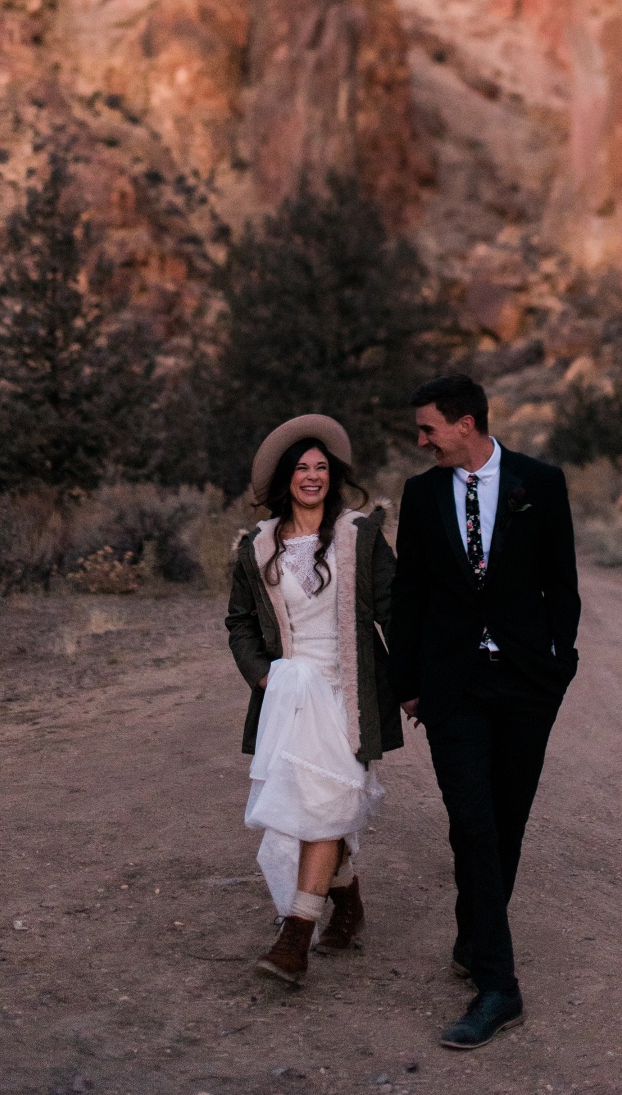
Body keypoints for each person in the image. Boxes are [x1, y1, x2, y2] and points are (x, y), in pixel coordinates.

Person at [389, 374, 580, 1051]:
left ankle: (476, 935)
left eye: (428, 428)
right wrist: (406, 680)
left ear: (466, 423)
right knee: (471, 823)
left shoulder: (540, 482)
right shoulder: (421, 493)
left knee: (504, 823)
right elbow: (408, 589)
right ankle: (499, 987)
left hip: (527, 682)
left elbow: (562, 583)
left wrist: (560, 664)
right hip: (454, 687)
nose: (421, 441)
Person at [226, 413, 403, 987]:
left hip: (347, 696)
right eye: (301, 469)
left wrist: (418, 683)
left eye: (321, 468)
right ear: (285, 479)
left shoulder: (360, 534)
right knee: (307, 808)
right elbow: (239, 624)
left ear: (334, 476)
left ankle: (295, 938)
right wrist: (262, 677)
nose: (312, 477)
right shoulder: (257, 548)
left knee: (324, 807)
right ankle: (346, 904)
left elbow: (395, 611)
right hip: (290, 696)